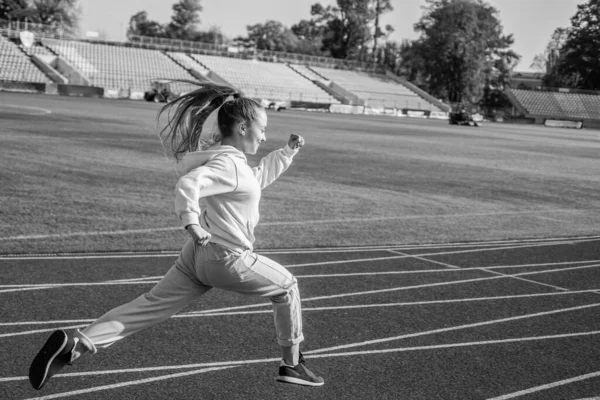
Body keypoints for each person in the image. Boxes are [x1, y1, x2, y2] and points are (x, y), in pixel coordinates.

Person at [28, 83, 324, 390]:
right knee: (287, 286)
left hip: (196, 256)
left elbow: (255, 179)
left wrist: (288, 152)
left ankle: (78, 342)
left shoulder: (226, 161)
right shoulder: (229, 164)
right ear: (242, 126)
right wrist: (191, 222)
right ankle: (292, 364)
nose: (264, 137)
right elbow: (189, 186)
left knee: (151, 305)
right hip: (226, 257)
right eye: (262, 129)